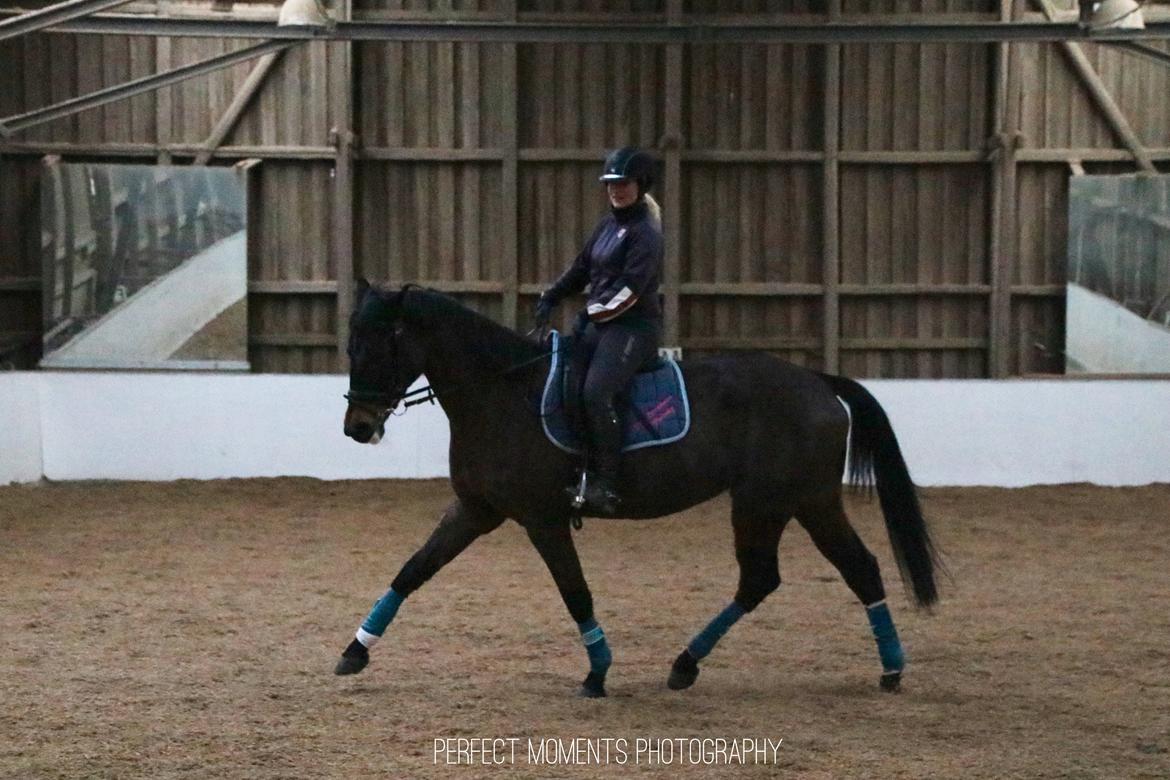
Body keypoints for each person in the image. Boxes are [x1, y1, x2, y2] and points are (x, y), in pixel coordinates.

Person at [534, 146, 664, 515]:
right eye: (611, 184)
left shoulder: (645, 234)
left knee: (595, 392)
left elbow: (630, 291)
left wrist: (592, 313)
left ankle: (607, 482)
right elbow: (581, 269)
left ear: (640, 185)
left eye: (623, 184)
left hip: (632, 328)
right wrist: (552, 295)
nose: (616, 190)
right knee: (562, 379)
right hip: (601, 323)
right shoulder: (608, 226)